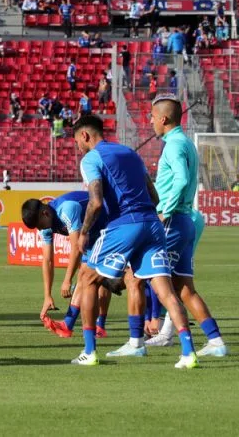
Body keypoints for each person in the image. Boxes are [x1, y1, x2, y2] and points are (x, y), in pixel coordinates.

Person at [70, 115, 197, 368]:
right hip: (153, 224)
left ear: (85, 135)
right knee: (166, 292)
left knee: (86, 278)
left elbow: (95, 202)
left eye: (77, 142)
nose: (78, 147)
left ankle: (89, 351)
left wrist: (84, 232)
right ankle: (188, 352)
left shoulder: (91, 158)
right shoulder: (130, 153)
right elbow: (154, 195)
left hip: (125, 225)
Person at [143, 97, 227, 357]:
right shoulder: (185, 143)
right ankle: (215, 341)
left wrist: (164, 211)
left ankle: (142, 338)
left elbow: (179, 180)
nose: (150, 121)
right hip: (185, 220)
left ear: (164, 119)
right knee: (184, 288)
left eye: (153, 117)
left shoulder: (174, 146)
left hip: (174, 220)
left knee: (147, 276)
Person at [20, 192, 113, 339]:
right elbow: (47, 260)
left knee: (97, 277)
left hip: (110, 225)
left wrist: (67, 280)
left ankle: (99, 326)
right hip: (91, 234)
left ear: (45, 213)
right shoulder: (46, 224)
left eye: (39, 225)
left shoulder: (67, 209)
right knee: (86, 276)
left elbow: (76, 247)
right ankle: (68, 325)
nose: (40, 230)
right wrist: (47, 296)